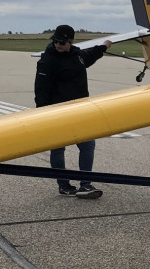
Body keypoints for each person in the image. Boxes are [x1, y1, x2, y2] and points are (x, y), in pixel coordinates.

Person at [34, 24, 112, 197]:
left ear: (70, 42)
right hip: (57, 112)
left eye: (62, 42)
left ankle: (85, 185)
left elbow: (91, 54)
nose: (58, 45)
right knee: (58, 148)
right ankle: (64, 185)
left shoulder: (78, 56)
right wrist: (41, 114)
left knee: (87, 145)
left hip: (80, 110)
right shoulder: (47, 61)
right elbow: (41, 90)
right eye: (55, 41)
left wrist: (105, 46)